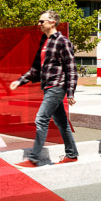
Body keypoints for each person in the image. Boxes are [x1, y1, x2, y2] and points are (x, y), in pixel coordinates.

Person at [9, 10, 79, 167]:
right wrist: (20, 81)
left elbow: (71, 68)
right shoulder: (45, 42)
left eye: (42, 21)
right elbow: (36, 70)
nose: (39, 24)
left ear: (52, 22)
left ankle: (34, 158)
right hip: (48, 86)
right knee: (61, 122)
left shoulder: (63, 42)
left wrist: (70, 92)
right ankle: (72, 154)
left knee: (41, 118)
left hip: (57, 85)